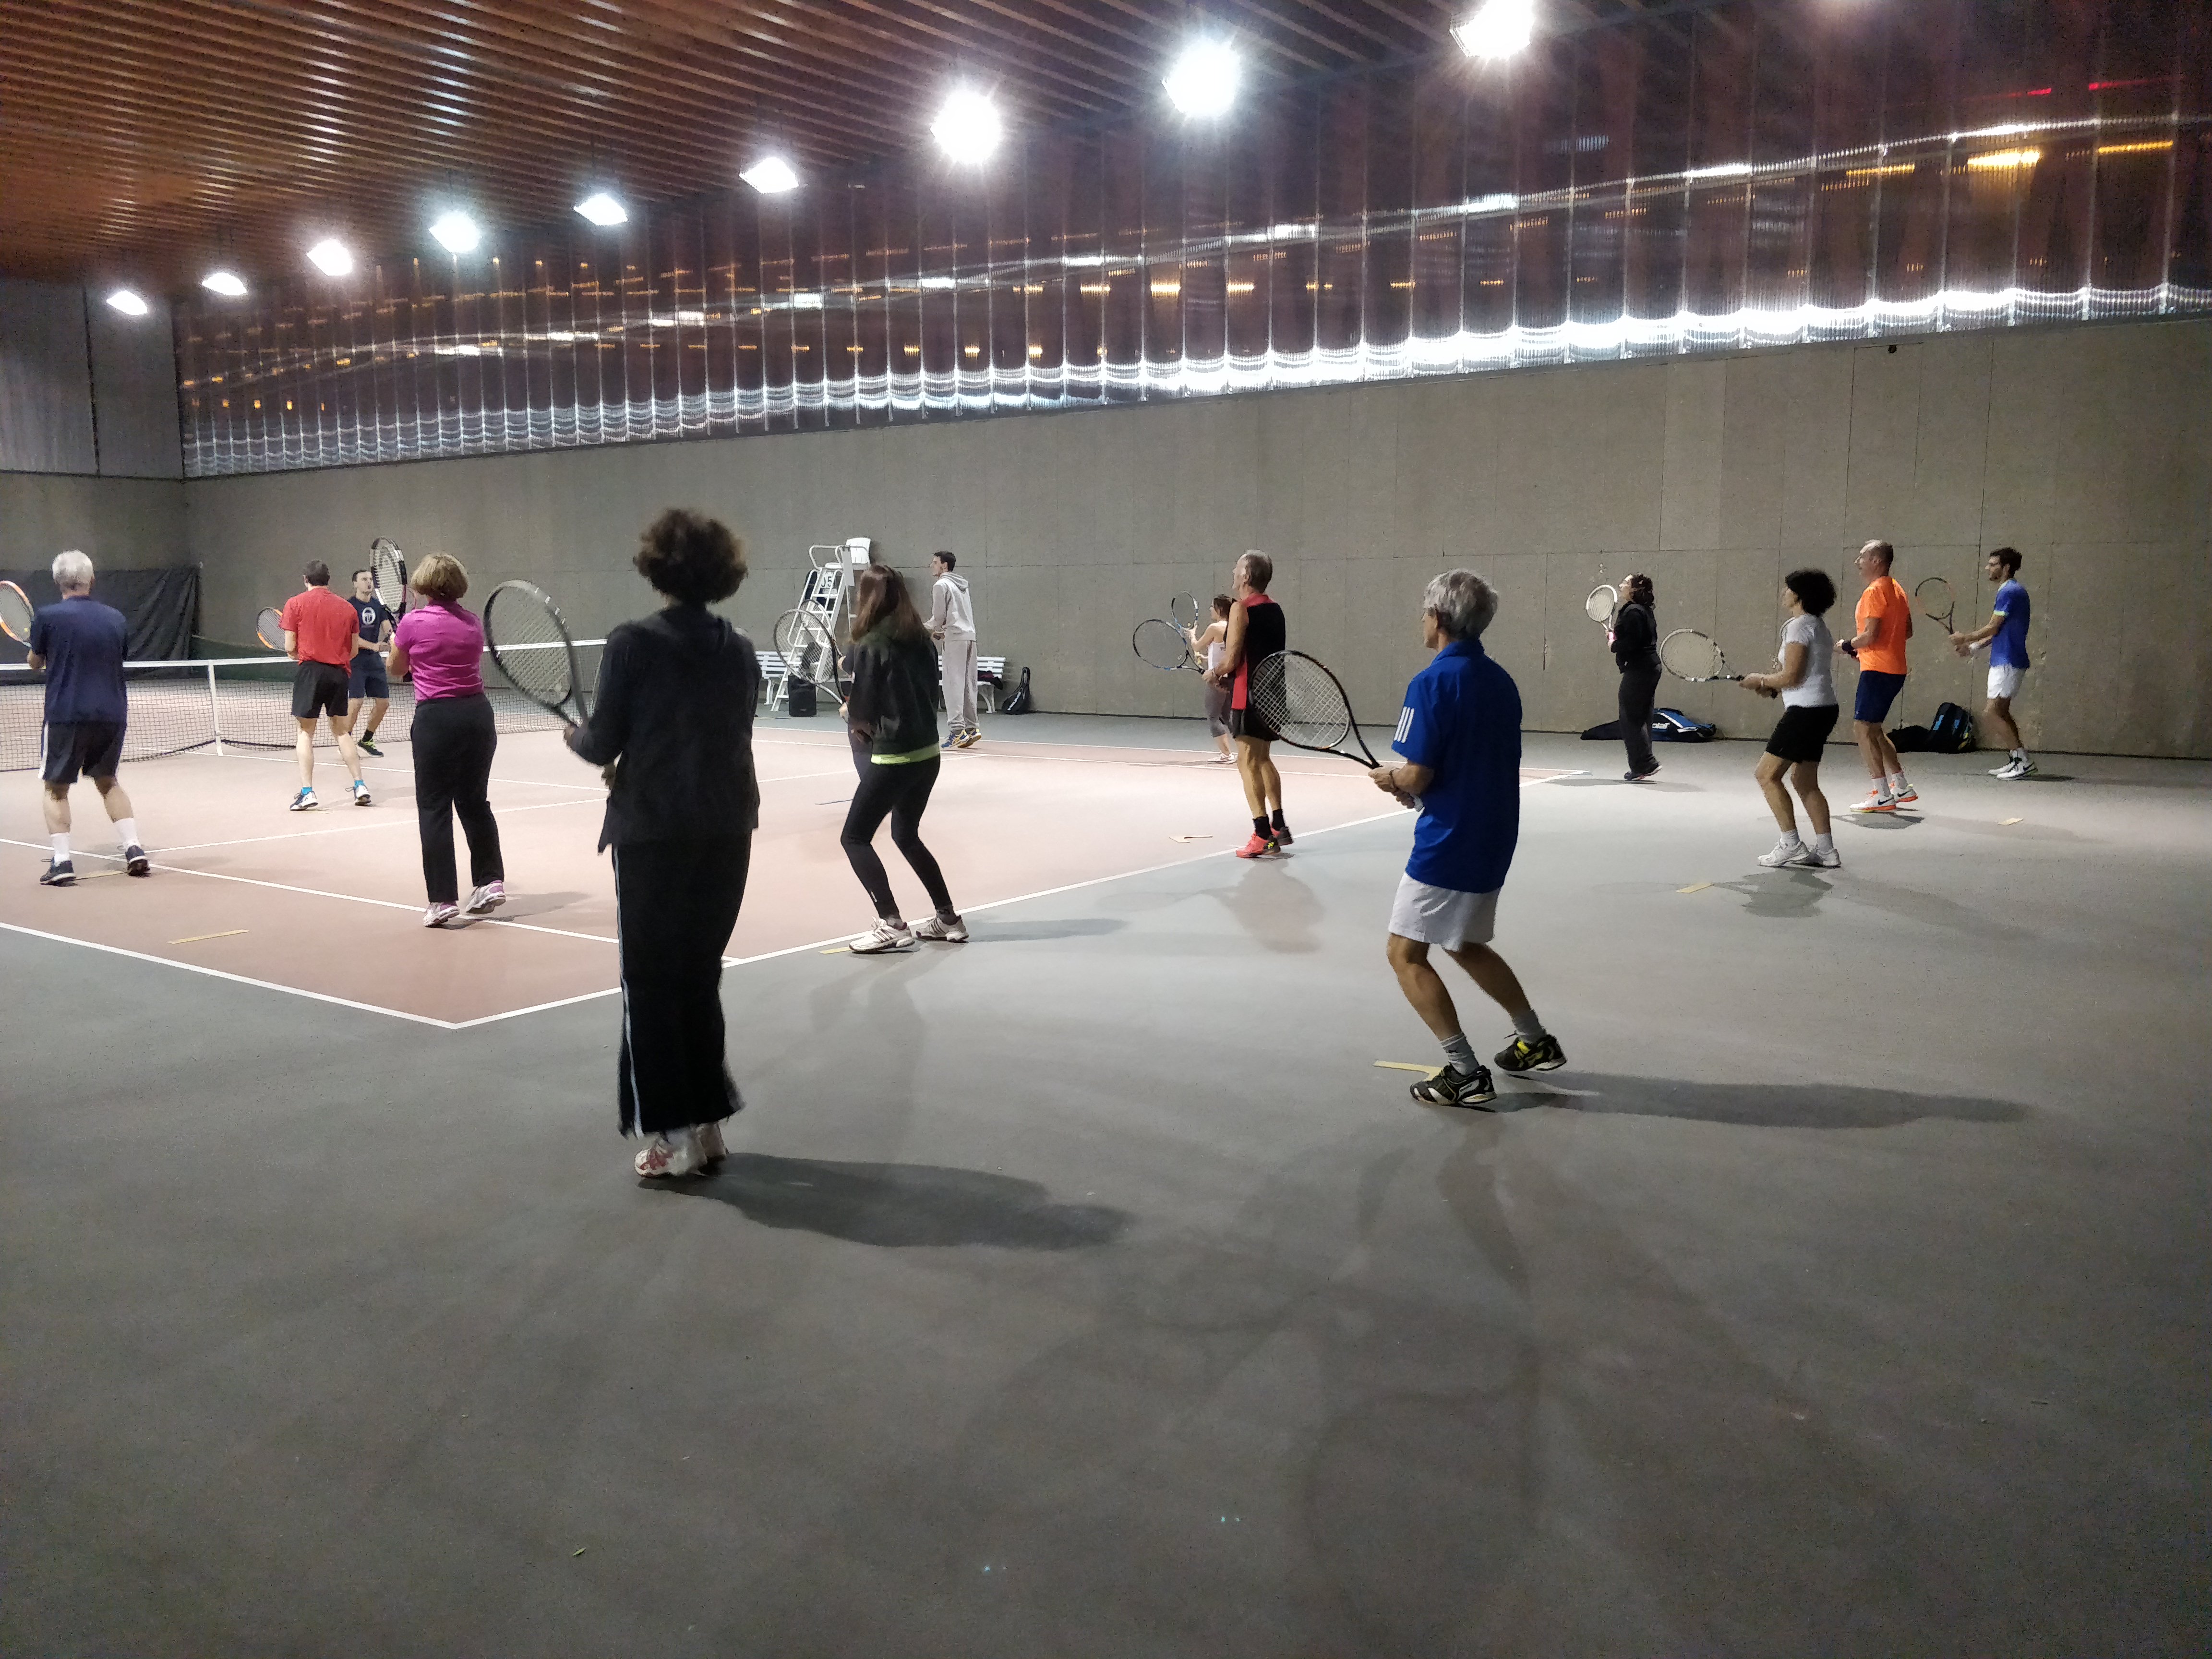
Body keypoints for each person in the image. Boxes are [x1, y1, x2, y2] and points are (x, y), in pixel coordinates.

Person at [565, 509, 761, 1180]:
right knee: (699, 976)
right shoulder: (739, 648)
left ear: (656, 568)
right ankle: (707, 1125)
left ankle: (669, 1132)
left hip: (654, 835)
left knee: (649, 986)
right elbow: (719, 732)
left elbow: (602, 741)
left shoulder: (632, 643)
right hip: (728, 829)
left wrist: (581, 741)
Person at [1370, 569, 1564, 1109]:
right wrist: (1420, 788)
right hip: (1494, 834)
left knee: (1404, 953)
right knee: (1461, 942)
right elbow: (1469, 761)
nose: (1421, 620)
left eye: (1424, 612)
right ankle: (1534, 1039)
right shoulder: (1500, 680)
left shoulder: (1430, 682)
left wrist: (1395, 779)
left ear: (1438, 618)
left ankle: (1464, 1072)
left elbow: (1418, 774)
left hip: (1449, 841)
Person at [841, 563, 966, 953]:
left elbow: (862, 710)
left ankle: (892, 923)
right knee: (906, 835)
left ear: (866, 598)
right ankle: (948, 919)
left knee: (854, 837)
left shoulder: (870, 644)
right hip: (928, 753)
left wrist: (852, 715)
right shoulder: (922, 640)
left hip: (895, 758)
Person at [385, 553, 505, 927]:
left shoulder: (412, 623)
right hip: (478, 717)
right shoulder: (472, 622)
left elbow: (396, 669)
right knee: (474, 802)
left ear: (423, 584)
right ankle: (490, 882)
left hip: (436, 719)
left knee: (435, 807)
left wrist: (394, 643)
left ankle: (442, 900)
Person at [25, 550, 148, 886]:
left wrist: (39, 655)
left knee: (55, 789)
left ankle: (62, 862)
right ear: (91, 580)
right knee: (108, 781)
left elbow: (35, 662)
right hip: (112, 713)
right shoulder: (116, 619)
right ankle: (134, 848)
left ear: (57, 581)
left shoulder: (47, 617)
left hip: (66, 714)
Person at [1741, 568, 1842, 869]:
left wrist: (1761, 680)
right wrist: (1771, 688)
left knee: (1766, 775)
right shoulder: (1818, 626)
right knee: (1804, 780)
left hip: (1806, 712)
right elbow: (1804, 676)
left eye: (1788, 589)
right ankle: (1826, 851)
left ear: (1799, 595)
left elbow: (1792, 676)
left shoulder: (1798, 626)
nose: (1783, 593)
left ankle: (1791, 844)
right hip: (1823, 708)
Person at [1207, 551, 1291, 857]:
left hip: (1249, 696)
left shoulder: (1240, 609)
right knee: (1263, 758)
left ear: (1246, 576)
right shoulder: (1276, 609)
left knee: (1247, 762)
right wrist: (1228, 674)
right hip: (1273, 695)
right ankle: (1279, 825)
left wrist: (1214, 672)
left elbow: (1231, 660)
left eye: (1237, 568)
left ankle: (1262, 834)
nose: (1233, 571)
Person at [279, 560, 373, 811]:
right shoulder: (348, 608)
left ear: (305, 579)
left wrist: (301, 654)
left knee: (305, 733)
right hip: (339, 674)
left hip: (310, 672)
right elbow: (353, 650)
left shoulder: (295, 604)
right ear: (328, 579)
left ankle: (307, 792)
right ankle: (360, 786)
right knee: (342, 732)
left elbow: (290, 647)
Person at [1838, 539, 1917, 813]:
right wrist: (1864, 651)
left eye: (1862, 557)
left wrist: (1846, 645)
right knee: (1875, 729)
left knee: (1863, 729)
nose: (1857, 562)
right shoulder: (1897, 590)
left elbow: (1870, 635)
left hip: (1878, 671)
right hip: (1894, 668)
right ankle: (1901, 786)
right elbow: (1906, 632)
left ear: (1876, 561)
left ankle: (1882, 795)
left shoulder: (1874, 592)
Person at [1950, 546, 2036, 779]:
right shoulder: (2011, 590)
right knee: (2002, 712)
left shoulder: (2009, 591)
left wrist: (1965, 638)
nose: (1987, 568)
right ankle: (2016, 759)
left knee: (1991, 713)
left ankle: (2023, 761)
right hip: (2005, 659)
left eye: (1993, 564)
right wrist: (1973, 648)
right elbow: (1999, 632)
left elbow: (1993, 626)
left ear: (2006, 568)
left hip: (2009, 660)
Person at [926, 549, 980, 750]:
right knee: (968, 683)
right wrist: (942, 632)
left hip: (956, 641)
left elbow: (938, 618)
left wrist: (922, 628)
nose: (932, 565)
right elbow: (956, 617)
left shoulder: (941, 585)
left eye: (935, 562)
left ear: (944, 566)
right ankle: (971, 727)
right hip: (969, 637)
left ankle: (958, 731)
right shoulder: (962, 586)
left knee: (953, 684)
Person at [1611, 573, 1662, 781]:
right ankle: (1643, 765)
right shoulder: (1643, 610)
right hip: (1649, 668)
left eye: (1625, 583)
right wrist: (1616, 638)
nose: (1621, 585)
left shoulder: (1633, 612)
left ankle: (1646, 764)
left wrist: (1614, 644)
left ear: (1634, 590)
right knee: (1642, 717)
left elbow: (1631, 644)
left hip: (1640, 670)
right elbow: (1636, 638)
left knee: (1630, 718)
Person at [345, 567, 397, 756]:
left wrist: (395, 637)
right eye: (364, 579)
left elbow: (388, 629)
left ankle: (367, 739)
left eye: (370, 579)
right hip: (355, 661)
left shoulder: (378, 606)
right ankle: (346, 742)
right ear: (355, 584)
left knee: (384, 703)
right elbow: (351, 638)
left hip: (374, 663)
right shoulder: (348, 607)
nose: (368, 582)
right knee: (356, 702)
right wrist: (374, 646)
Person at [1190, 594, 1234, 763]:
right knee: (1227, 716)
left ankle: (1226, 754)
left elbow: (1196, 646)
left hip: (1216, 680)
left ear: (1220, 609)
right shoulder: (1233, 627)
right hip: (1230, 678)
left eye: (1212, 606)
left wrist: (1192, 635)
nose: (1210, 609)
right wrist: (1207, 658)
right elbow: (1226, 654)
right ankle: (1245, 751)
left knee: (1213, 717)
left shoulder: (1215, 628)